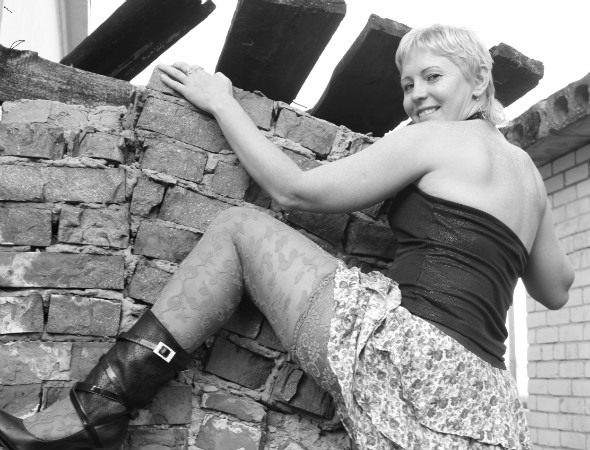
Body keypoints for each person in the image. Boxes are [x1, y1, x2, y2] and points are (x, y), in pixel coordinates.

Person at [0, 24, 574, 450]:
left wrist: (222, 103)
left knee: (239, 229)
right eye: (407, 84)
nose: (416, 96)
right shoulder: (529, 176)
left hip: (413, 358)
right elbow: (556, 289)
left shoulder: (437, 138)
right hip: (485, 401)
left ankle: (95, 410)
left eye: (433, 76)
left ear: (480, 81)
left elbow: (293, 191)